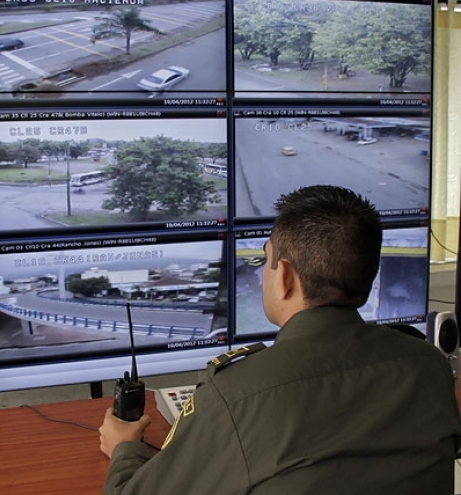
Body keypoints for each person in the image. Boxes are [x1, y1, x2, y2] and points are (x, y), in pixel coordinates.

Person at [99, 185, 461, 494]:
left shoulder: (236, 395)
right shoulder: (429, 364)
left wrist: (125, 449)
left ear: (284, 276)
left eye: (265, 261)